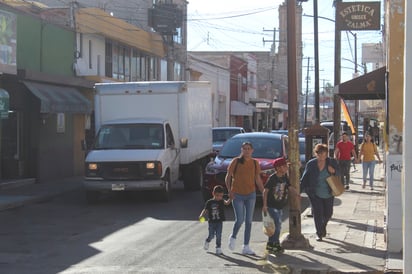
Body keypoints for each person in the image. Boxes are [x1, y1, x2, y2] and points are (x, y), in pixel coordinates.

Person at [225, 141, 265, 255]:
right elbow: (228, 177)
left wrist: (263, 191)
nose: (246, 151)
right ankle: (233, 237)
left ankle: (246, 246)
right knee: (240, 220)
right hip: (237, 194)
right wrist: (229, 191)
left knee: (249, 221)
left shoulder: (254, 163)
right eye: (244, 149)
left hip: (251, 194)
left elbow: (257, 179)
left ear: (252, 151)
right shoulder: (236, 161)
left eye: (248, 149)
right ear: (241, 150)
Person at [300, 144, 339, 241]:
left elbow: (339, 173)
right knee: (318, 213)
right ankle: (319, 233)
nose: (322, 157)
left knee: (328, 214)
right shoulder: (311, 164)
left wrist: (333, 171)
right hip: (314, 193)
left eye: (324, 154)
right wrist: (298, 192)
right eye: (320, 154)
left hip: (329, 192)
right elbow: (304, 179)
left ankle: (323, 227)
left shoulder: (331, 162)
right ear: (316, 154)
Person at [262, 157, 298, 254]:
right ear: (278, 168)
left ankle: (270, 245)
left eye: (286, 166)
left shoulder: (284, 177)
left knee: (274, 227)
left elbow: (289, 187)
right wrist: (264, 205)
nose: (286, 167)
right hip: (271, 206)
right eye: (284, 166)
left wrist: (296, 194)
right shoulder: (272, 178)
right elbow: (265, 191)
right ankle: (276, 244)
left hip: (280, 206)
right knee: (277, 226)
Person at [199, 185, 231, 255]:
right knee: (211, 235)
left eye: (221, 196)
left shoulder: (221, 201)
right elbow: (205, 210)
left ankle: (218, 248)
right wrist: (201, 215)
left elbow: (227, 203)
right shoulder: (209, 202)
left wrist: (231, 198)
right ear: (213, 193)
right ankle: (207, 241)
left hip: (219, 222)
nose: (219, 197)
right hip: (211, 222)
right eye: (217, 195)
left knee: (219, 235)